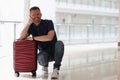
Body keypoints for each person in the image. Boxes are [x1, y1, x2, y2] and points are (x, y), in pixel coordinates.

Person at [19, 6, 64, 79]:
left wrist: (33, 38)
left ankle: (56, 69)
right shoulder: (31, 27)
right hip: (43, 53)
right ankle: (45, 65)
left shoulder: (48, 22)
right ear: (30, 16)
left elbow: (49, 37)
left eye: (38, 14)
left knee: (60, 43)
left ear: (41, 14)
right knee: (42, 58)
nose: (36, 16)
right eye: (33, 15)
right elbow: (21, 37)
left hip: (55, 51)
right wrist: (28, 23)